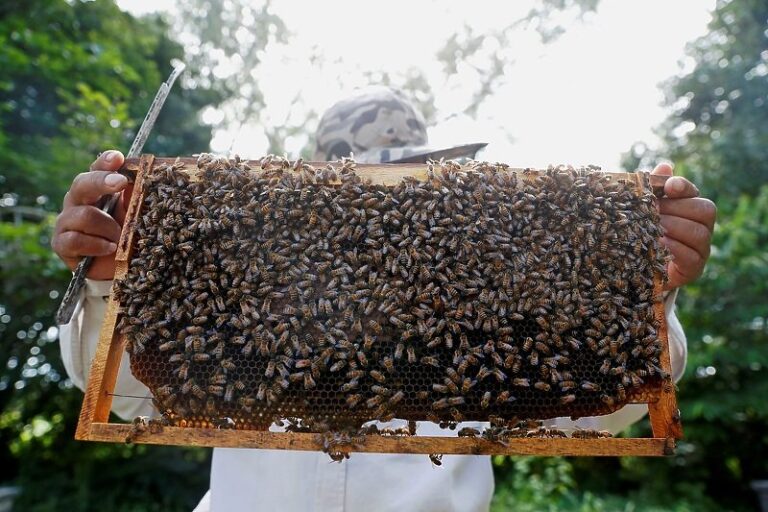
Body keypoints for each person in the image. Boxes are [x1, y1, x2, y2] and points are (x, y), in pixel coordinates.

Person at [53, 87, 716, 512]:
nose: (387, 209)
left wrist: (645, 292)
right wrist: (110, 275)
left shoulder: (494, 298)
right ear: (313, 194)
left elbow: (608, 412)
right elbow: (125, 392)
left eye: (408, 188)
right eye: (363, 191)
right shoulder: (238, 279)